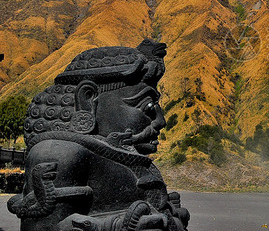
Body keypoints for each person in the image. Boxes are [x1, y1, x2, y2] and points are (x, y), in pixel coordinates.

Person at [8, 40, 189, 231]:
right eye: (147, 106)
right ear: (88, 101)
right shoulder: (60, 155)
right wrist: (118, 225)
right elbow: (42, 228)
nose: (160, 121)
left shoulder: (120, 156)